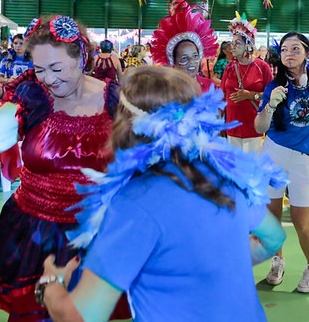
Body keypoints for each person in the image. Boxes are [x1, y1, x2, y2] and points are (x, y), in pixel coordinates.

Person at [38, 67, 286, 322]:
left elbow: (80, 317)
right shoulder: (225, 177)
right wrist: (208, 267)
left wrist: (50, 283)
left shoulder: (133, 204)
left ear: (125, 125)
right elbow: (273, 239)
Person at [0, 16, 130, 321]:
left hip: (97, 239)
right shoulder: (32, 99)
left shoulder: (117, 101)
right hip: (36, 240)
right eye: (39, 68)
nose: (47, 78)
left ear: (81, 56)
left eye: (56, 68)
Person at [254, 32, 309, 293]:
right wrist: (270, 106)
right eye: (284, 49)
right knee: (272, 217)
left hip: (306, 160)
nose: (289, 53)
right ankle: (278, 261)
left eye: (295, 48)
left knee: (303, 222)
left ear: (307, 53)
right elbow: (259, 127)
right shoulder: (274, 86)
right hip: (274, 154)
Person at [221, 13, 273, 152]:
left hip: (253, 126)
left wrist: (251, 95)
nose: (233, 47)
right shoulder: (230, 67)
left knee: (250, 168)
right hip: (231, 125)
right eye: (232, 43)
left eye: (237, 43)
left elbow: (271, 95)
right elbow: (222, 95)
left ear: (248, 45)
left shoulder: (262, 67)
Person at [150, 0, 218, 92]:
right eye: (184, 58)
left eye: (195, 56)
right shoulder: (165, 90)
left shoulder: (210, 86)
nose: (191, 61)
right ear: (173, 62)